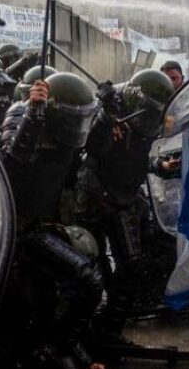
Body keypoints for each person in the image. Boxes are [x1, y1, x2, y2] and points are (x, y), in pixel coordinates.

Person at [0, 73, 105, 369]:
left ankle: (65, 352)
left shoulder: (65, 143)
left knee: (55, 296)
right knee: (87, 282)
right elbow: (9, 170)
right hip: (19, 230)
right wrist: (33, 117)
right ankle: (56, 352)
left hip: (44, 226)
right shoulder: (23, 118)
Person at [75, 69, 177, 341]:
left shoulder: (146, 124)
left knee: (132, 265)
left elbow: (136, 159)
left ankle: (111, 325)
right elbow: (91, 147)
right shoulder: (111, 115)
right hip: (96, 198)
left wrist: (159, 165)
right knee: (93, 269)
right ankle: (89, 331)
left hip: (125, 197)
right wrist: (106, 117)